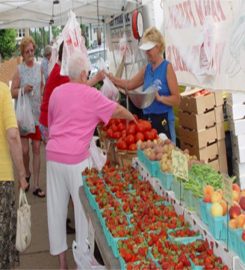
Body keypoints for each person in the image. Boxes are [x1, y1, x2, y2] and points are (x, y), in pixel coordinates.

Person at [46, 51, 136, 269]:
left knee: (55, 209)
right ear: (84, 73)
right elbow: (117, 110)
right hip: (76, 159)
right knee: (83, 210)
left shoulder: (57, 92)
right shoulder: (91, 95)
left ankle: (62, 262)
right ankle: (83, 262)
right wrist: (132, 117)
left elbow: (51, 123)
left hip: (53, 156)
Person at [108, 26, 180, 144]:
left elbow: (177, 99)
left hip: (164, 119)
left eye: (149, 49)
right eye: (146, 50)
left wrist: (160, 98)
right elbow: (130, 84)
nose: (146, 53)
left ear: (158, 47)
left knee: (168, 153)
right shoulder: (147, 69)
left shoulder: (167, 67)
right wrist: (113, 79)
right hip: (148, 121)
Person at [39, 41, 105, 143]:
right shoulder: (61, 73)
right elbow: (78, 89)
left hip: (49, 120)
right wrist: (97, 78)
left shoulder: (60, 69)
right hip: (49, 122)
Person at [11, 36, 45, 198]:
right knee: (25, 150)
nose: (30, 53)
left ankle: (37, 185)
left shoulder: (39, 68)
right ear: (23, 54)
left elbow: (42, 88)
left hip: (37, 116)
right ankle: (27, 172)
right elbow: (12, 92)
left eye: (32, 50)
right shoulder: (19, 69)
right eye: (27, 52)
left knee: (37, 148)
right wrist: (23, 90)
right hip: (24, 117)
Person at [0, 81, 28, 269]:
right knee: (3, 240)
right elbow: (12, 135)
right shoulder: (2, 91)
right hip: (2, 178)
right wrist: (22, 174)